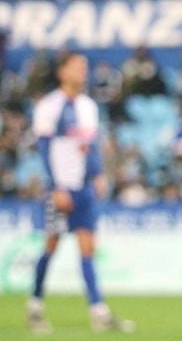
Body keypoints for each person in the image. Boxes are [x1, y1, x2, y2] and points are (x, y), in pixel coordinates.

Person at [28, 52, 135, 333]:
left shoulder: (89, 106)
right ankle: (35, 306)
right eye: (76, 67)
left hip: (83, 189)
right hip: (60, 190)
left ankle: (98, 312)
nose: (82, 71)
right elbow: (43, 149)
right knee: (51, 246)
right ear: (62, 72)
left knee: (88, 248)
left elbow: (90, 146)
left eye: (84, 67)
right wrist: (54, 187)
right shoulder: (49, 106)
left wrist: (97, 173)